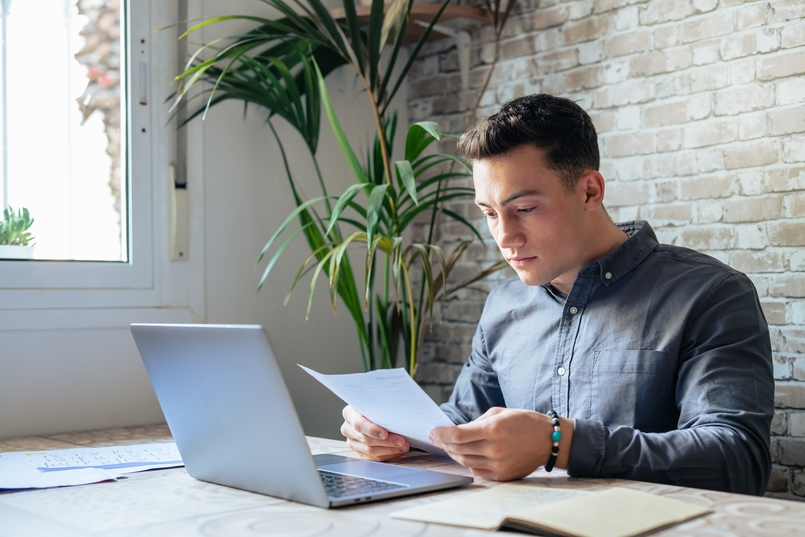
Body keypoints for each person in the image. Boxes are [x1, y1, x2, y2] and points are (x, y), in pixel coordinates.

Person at [340, 94, 774, 496]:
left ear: (590, 191)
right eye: (490, 213)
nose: (504, 237)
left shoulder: (710, 295)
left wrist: (558, 443)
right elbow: (464, 421)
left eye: (524, 209)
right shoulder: (504, 305)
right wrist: (394, 435)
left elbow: (737, 459)